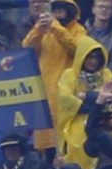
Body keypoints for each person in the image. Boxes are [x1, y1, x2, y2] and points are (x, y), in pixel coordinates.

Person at [22, 1, 88, 152]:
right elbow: (27, 48)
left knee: (67, 140)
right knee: (47, 143)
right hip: (46, 92)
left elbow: (76, 49)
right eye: (55, 10)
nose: (58, 13)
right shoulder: (44, 31)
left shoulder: (79, 30)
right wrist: (38, 29)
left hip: (68, 92)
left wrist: (56, 27)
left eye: (61, 10)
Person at [57, 37, 112, 169]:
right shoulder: (69, 75)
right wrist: (97, 102)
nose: (93, 62)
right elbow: (65, 98)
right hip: (75, 127)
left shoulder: (107, 74)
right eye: (89, 57)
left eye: (97, 58)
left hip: (101, 126)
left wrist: (86, 96)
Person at [87, 0, 112, 77]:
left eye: (108, 8)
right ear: (93, 9)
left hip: (107, 77)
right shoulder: (83, 30)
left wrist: (100, 76)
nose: (104, 10)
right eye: (101, 7)